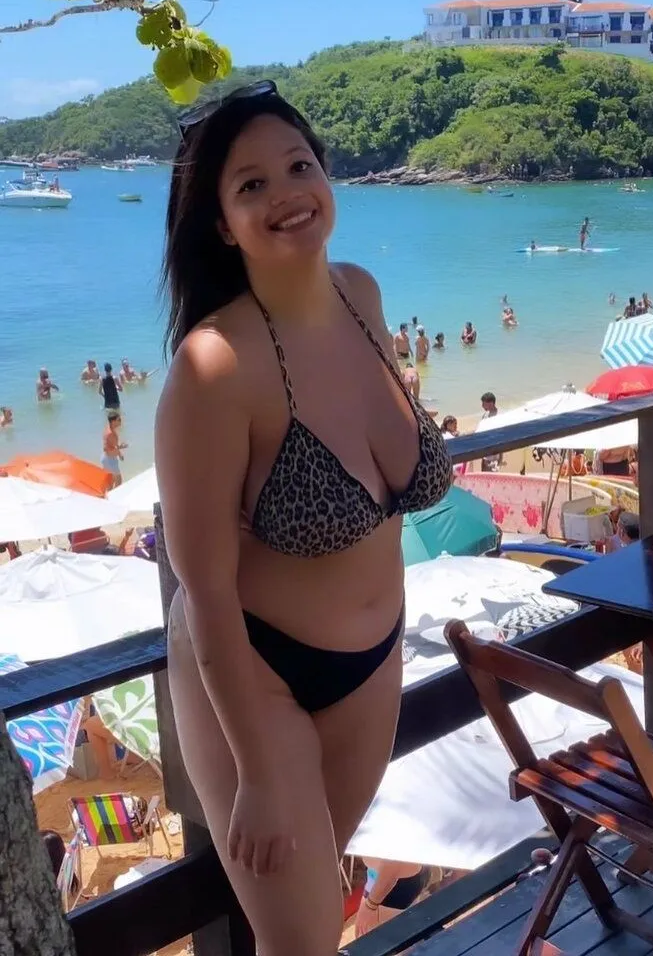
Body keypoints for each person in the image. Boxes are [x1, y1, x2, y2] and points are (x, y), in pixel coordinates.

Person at [153, 81, 453, 956]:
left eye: (298, 166)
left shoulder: (363, 295)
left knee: (322, 915)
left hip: (373, 661)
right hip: (256, 675)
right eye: (251, 185)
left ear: (325, 175)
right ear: (221, 223)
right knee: (304, 941)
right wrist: (253, 770)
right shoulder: (213, 366)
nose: (285, 193)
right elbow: (205, 588)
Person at [354, 858, 433, 937]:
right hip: (414, 872)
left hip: (389, 884)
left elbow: (392, 866)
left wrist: (370, 905)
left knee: (374, 936)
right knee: (405, 924)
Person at [102, 411, 127, 487]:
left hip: (108, 459)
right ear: (113, 422)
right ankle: (115, 494)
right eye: (119, 420)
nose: (120, 421)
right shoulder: (110, 433)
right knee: (118, 480)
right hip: (109, 460)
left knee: (111, 482)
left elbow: (111, 446)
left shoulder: (109, 429)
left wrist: (120, 450)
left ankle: (109, 493)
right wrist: (120, 452)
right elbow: (107, 449)